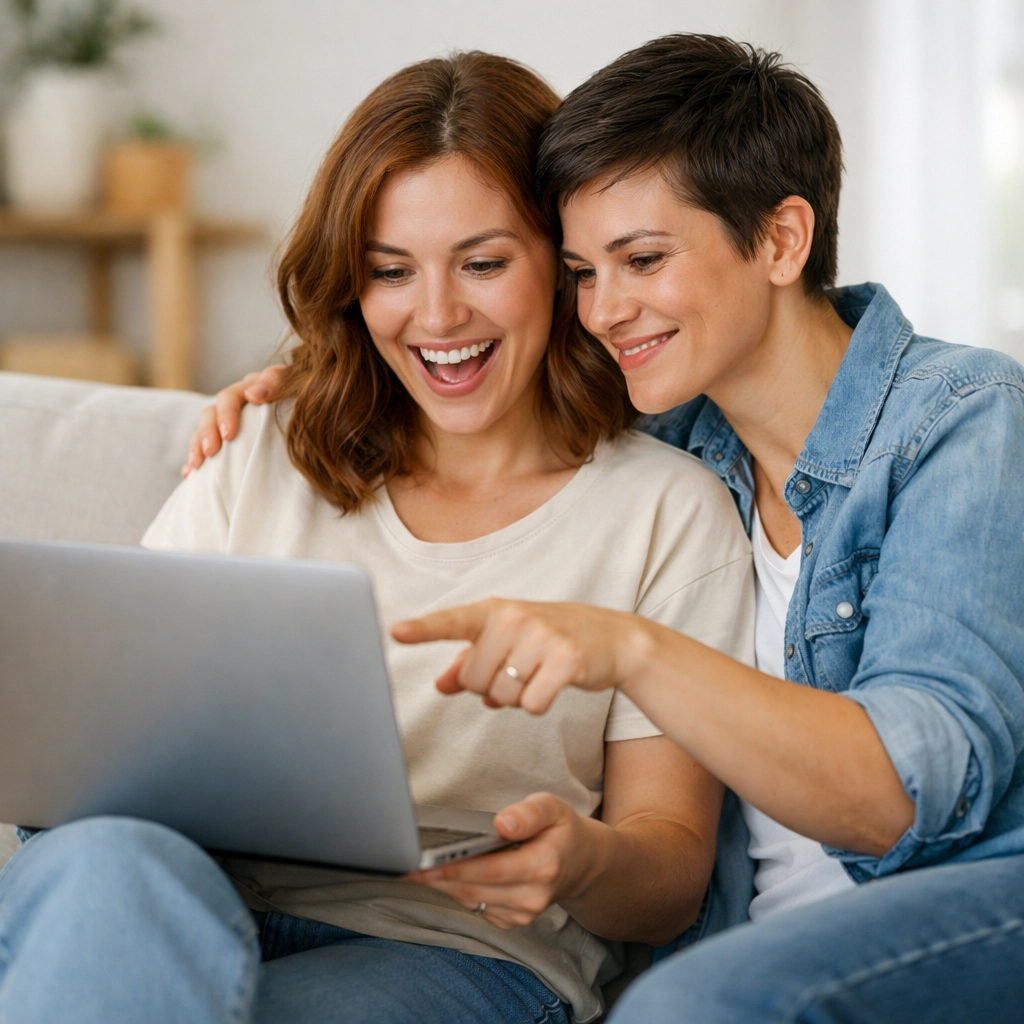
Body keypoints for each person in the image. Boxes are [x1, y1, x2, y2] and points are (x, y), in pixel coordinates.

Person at [204, 34, 1024, 1024]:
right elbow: (477, 371)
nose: (602, 310)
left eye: (641, 260)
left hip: (963, 898)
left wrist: (632, 650)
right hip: (742, 942)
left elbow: (904, 790)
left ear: (780, 240)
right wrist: (323, 373)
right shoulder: (676, 436)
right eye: (582, 273)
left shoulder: (963, 419)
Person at [0, 52, 755, 1024]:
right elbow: (107, 724)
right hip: (178, 896)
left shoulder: (665, 510)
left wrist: (583, 857)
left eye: (483, 263)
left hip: (446, 945)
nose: (436, 315)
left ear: (563, 262)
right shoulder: (260, 454)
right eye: (389, 271)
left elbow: (670, 871)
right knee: (102, 870)